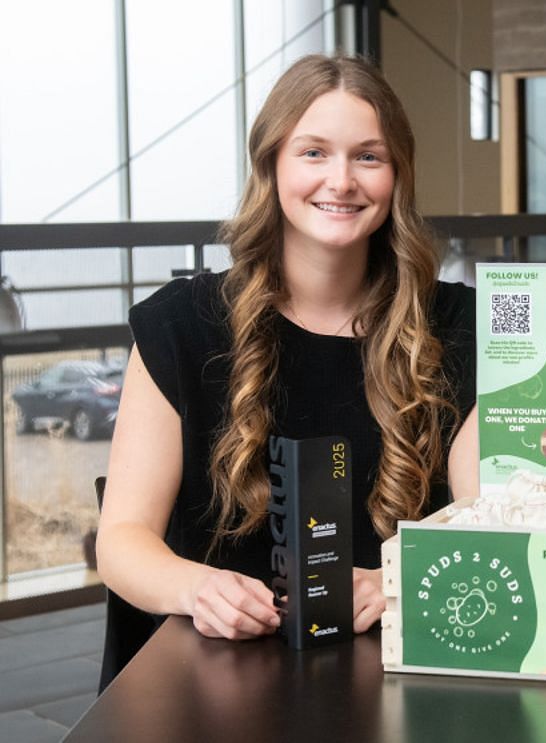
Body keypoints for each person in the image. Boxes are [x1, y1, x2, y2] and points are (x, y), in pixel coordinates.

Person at [95, 55, 480, 649]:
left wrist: (398, 579)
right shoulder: (180, 324)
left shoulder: (462, 327)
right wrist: (196, 589)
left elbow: (486, 518)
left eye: (368, 156)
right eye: (313, 152)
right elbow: (121, 539)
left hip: (401, 668)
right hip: (216, 678)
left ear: (397, 176)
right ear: (270, 164)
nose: (342, 180)